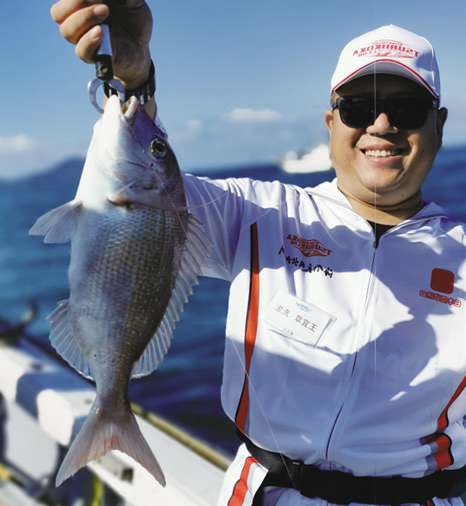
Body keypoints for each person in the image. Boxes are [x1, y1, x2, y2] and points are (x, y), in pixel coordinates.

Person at [50, 2, 466, 506]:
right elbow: (152, 192)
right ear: (330, 122)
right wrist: (134, 82)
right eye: (358, 107)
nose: (381, 124)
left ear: (439, 124)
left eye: (407, 108)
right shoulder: (260, 212)